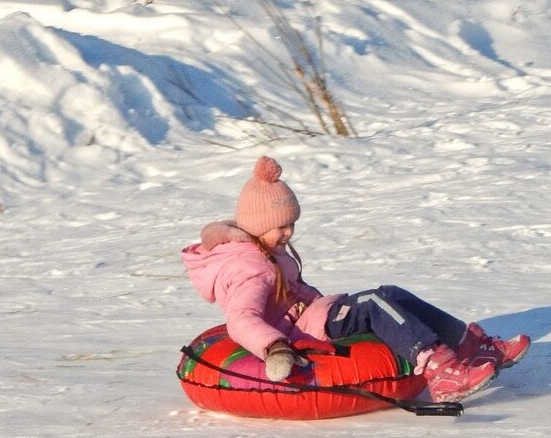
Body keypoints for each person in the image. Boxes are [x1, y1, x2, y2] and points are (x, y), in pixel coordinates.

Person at [181, 155, 529, 403]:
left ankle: (470, 345)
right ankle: (440, 370)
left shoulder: (267, 252)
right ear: (256, 226)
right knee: (373, 304)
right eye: (281, 226)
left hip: (309, 315)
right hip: (300, 333)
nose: (288, 233)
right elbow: (242, 318)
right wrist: (275, 347)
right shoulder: (250, 268)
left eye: (292, 224)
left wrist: (314, 298)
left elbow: (293, 290)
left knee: (391, 293)